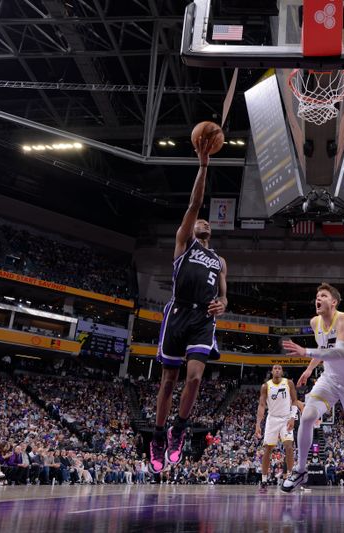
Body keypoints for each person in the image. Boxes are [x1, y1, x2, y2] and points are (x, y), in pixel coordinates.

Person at [149, 136, 229, 475]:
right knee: (168, 381)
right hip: (178, 311)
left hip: (203, 317)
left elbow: (224, 294)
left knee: (194, 379)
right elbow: (195, 203)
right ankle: (157, 436)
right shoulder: (184, 243)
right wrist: (203, 165)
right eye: (199, 221)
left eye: (207, 223)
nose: (203, 222)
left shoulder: (219, 260)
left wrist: (223, 304)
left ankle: (178, 430)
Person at [280, 283, 344, 501]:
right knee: (309, 415)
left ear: (334, 302)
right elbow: (323, 349)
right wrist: (309, 368)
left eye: (323, 295)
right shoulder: (315, 322)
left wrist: (304, 352)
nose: (317, 299)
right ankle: (300, 470)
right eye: (316, 296)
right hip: (330, 379)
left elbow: (340, 351)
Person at [254, 364, 300, 491]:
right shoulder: (266, 386)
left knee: (289, 447)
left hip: (286, 418)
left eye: (279, 368)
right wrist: (258, 424)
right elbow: (262, 405)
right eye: (275, 368)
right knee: (267, 449)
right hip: (272, 419)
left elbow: (295, 401)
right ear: (272, 371)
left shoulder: (289, 383)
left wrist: (292, 417)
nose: (277, 370)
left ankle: (289, 478)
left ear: (282, 371)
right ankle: (264, 480)